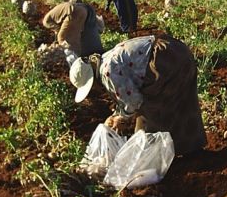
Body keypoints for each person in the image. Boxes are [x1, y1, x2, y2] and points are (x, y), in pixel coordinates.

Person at [69, 34, 207, 155]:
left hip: (164, 60)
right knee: (183, 102)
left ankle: (158, 154)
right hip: (177, 50)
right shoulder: (105, 58)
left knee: (151, 111)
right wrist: (118, 114)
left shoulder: (107, 72)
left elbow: (134, 101)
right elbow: (127, 93)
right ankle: (191, 149)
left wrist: (120, 118)